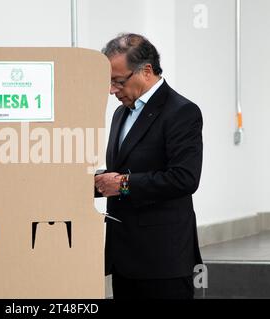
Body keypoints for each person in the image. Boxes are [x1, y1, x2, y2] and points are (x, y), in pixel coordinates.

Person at [95, 33, 203, 299]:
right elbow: (124, 168)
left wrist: (122, 184)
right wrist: (97, 182)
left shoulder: (181, 112)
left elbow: (184, 178)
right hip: (124, 256)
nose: (112, 90)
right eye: (108, 82)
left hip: (163, 259)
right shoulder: (122, 113)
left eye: (118, 81)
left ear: (145, 71)